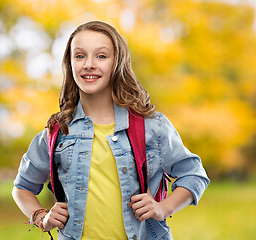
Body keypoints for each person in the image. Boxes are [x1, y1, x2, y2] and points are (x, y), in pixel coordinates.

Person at [12, 20, 209, 240]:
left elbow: (194, 175)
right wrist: (41, 217)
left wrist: (163, 208)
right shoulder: (57, 132)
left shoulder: (152, 126)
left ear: (117, 63)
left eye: (101, 56)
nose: (89, 64)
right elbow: (21, 188)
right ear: (69, 64)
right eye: (79, 56)